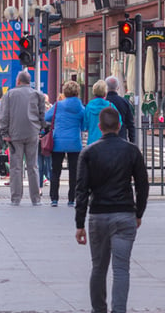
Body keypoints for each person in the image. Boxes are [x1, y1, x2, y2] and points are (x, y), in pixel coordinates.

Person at [75, 107, 149, 313]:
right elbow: (143, 185)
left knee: (98, 267)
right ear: (119, 126)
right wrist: (138, 212)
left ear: (99, 127)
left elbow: (81, 190)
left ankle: (98, 309)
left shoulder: (88, 152)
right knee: (121, 268)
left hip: (98, 215)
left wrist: (79, 224)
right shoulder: (132, 151)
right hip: (124, 214)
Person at [0, 70, 46, 206]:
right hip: (32, 133)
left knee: (16, 167)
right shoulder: (38, 94)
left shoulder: (9, 95)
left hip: (14, 135)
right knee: (33, 167)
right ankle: (35, 199)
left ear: (18, 81)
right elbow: (42, 115)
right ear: (29, 82)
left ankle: (16, 198)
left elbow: (4, 115)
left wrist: (4, 133)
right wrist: (40, 128)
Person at [45, 81, 86, 207]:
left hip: (58, 142)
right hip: (74, 142)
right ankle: (71, 199)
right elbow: (84, 126)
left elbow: (47, 117)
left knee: (55, 171)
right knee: (74, 172)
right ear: (77, 92)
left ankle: (54, 198)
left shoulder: (58, 105)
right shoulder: (81, 107)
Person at [105, 75, 135, 143]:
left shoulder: (104, 102)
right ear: (118, 88)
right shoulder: (124, 102)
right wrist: (132, 140)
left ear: (106, 88)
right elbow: (130, 123)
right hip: (121, 137)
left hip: (105, 139)